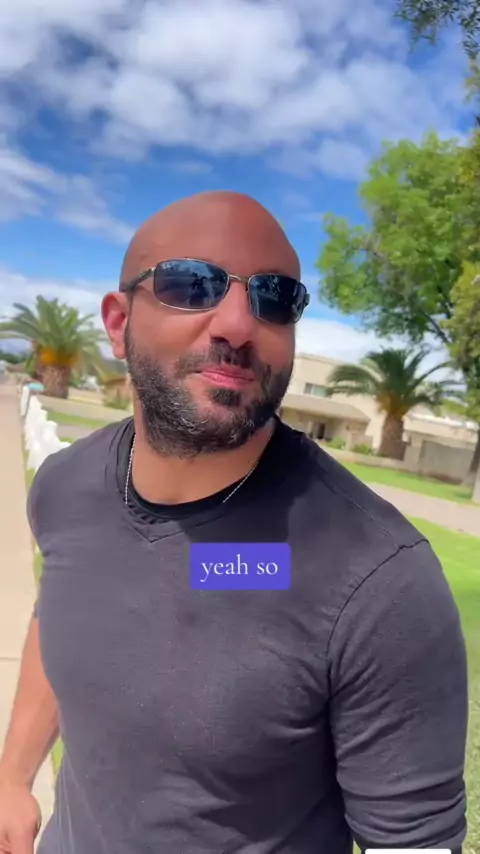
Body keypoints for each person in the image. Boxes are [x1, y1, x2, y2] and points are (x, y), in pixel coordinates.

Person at [0, 191, 468, 854]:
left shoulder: (379, 584)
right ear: (118, 322)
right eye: (192, 284)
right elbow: (58, 611)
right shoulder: (66, 486)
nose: (239, 324)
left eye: (275, 298)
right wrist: (13, 778)